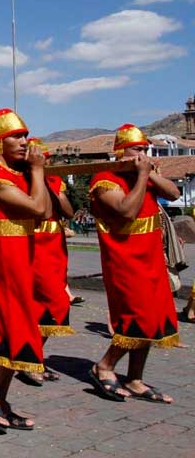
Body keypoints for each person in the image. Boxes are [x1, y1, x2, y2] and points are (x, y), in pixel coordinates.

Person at [87, 124, 180, 404]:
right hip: (125, 262)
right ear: (120, 152)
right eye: (137, 149)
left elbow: (174, 194)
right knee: (137, 318)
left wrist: (149, 173)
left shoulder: (146, 177)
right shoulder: (104, 180)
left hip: (151, 259)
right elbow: (127, 210)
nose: (144, 154)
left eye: (145, 149)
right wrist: (142, 176)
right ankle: (104, 366)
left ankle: (135, 378)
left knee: (155, 318)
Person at [0, 109, 49, 432]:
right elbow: (39, 209)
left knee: (22, 328)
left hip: (21, 265)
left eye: (25, 136)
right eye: (15, 136)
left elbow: (51, 212)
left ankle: (0, 398)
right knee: (10, 327)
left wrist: (35, 174)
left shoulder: (21, 175)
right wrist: (38, 171)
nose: (23, 142)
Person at [19, 139, 76, 386]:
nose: (46, 161)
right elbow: (38, 210)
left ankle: (35, 357)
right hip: (36, 245)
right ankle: (28, 358)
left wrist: (48, 182)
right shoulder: (22, 180)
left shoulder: (53, 181)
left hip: (56, 246)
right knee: (51, 302)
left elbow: (68, 211)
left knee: (53, 304)